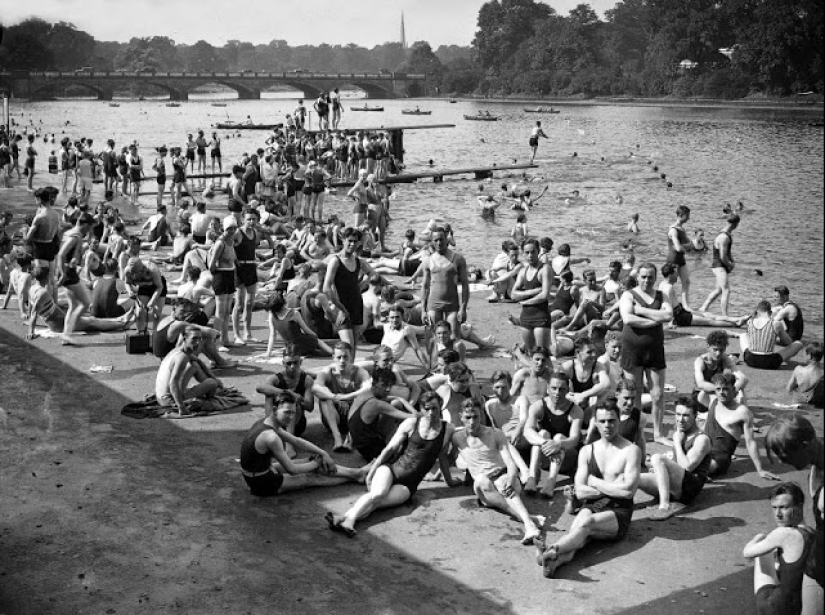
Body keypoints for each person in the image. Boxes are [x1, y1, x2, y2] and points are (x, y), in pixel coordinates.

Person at [324, 392, 455, 538]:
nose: (431, 413)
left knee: (377, 503)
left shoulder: (448, 429)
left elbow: (443, 457)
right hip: (391, 470)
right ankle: (350, 521)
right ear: (421, 409)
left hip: (407, 486)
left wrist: (449, 481)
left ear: (441, 406)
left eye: (434, 408)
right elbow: (389, 449)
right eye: (427, 409)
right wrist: (371, 473)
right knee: (377, 494)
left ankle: (341, 518)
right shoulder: (411, 423)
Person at [536, 401, 641, 578]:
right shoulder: (587, 450)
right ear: (596, 423)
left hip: (618, 510)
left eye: (612, 420)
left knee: (587, 523)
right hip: (592, 504)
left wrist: (594, 482)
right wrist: (613, 486)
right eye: (603, 421)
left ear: (618, 421)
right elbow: (581, 492)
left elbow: (628, 493)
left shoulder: (631, 450)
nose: (607, 425)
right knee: (577, 533)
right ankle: (554, 562)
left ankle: (552, 549)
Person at [241, 392, 368, 497]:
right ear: (274, 410)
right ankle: (356, 475)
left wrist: (322, 453)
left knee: (311, 460)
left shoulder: (268, 422)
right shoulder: (271, 437)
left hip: (264, 469)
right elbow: (292, 470)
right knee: (310, 477)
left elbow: (297, 441)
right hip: (260, 482)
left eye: (293, 413)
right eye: (287, 412)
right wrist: (315, 464)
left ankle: (357, 473)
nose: (291, 417)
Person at [453, 399, 543, 544]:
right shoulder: (457, 437)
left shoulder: (495, 434)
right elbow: (446, 457)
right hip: (485, 490)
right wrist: (445, 477)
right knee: (481, 480)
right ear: (461, 417)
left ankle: (529, 524)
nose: (472, 422)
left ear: (481, 415)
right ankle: (527, 520)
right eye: (468, 417)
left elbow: (510, 462)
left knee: (502, 481)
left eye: (475, 417)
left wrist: (512, 478)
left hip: (505, 479)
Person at [764, 415, 824, 615]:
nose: (782, 461)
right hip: (818, 563)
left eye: (786, 455)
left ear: (805, 446)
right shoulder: (816, 469)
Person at [743, 482, 815, 615]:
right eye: (774, 508)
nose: (777, 514)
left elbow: (747, 553)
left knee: (763, 550)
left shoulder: (783, 534)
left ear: (799, 506)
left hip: (776, 608)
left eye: (783, 507)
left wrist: (758, 539)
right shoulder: (813, 534)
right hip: (802, 607)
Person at [619, 262, 672, 442]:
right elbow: (628, 318)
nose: (647, 280)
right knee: (634, 394)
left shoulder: (662, 295)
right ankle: (634, 431)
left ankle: (658, 434)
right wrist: (655, 321)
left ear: (655, 278)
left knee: (658, 394)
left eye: (650, 277)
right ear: (637, 277)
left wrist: (640, 310)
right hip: (632, 350)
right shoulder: (628, 294)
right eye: (643, 277)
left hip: (654, 350)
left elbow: (668, 315)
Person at [638, 396, 711, 520]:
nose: (680, 420)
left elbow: (686, 467)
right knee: (632, 477)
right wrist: (657, 468)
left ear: (695, 416)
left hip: (689, 489)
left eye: (686, 415)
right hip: (675, 484)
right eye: (678, 414)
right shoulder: (681, 431)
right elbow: (675, 461)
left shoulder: (702, 439)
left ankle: (664, 506)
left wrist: (676, 442)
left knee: (658, 458)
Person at [706, 373, 780, 481]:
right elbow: (701, 386)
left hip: (719, 459)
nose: (721, 392)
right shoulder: (714, 402)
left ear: (733, 390)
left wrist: (760, 469)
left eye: (725, 389)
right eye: (718, 389)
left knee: (695, 470)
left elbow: (750, 442)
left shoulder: (742, 412)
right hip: (702, 449)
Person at [523, 372, 584, 498]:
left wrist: (558, 444)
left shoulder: (575, 411)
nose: (557, 393)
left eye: (561, 389)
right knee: (542, 434)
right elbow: (527, 431)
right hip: (546, 456)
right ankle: (532, 477)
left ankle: (551, 481)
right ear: (548, 389)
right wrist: (545, 442)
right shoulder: (538, 405)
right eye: (554, 388)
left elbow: (574, 439)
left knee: (559, 437)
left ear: (567, 390)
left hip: (566, 459)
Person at [26, 266, 131, 340]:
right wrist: (31, 332)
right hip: (59, 323)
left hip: (58, 319)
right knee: (91, 322)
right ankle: (122, 323)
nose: (51, 277)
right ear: (45, 277)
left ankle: (120, 321)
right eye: (49, 275)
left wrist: (28, 319)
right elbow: (34, 313)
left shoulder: (32, 288)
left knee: (89, 319)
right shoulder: (42, 293)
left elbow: (31, 308)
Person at [323, 227, 377, 358]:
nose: (352, 244)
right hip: (342, 308)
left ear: (359, 243)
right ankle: (342, 368)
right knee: (347, 346)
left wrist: (362, 285)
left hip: (356, 306)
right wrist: (341, 309)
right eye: (350, 241)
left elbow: (372, 273)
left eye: (355, 241)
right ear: (343, 240)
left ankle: (349, 369)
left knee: (353, 349)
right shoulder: (335, 261)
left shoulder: (358, 261)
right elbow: (326, 288)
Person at [348, 367, 418, 462]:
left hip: (361, 445)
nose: (388, 389)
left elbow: (389, 399)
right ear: (374, 383)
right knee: (408, 422)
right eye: (384, 385)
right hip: (373, 451)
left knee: (396, 404)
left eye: (390, 386)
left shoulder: (365, 394)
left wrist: (400, 399)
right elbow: (413, 416)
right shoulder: (376, 404)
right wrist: (419, 412)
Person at [312, 341, 371, 452]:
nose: (342, 360)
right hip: (334, 418)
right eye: (339, 357)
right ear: (333, 358)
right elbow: (315, 388)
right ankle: (337, 438)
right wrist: (334, 397)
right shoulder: (327, 372)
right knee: (324, 399)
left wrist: (346, 397)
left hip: (354, 418)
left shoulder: (360, 372)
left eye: (345, 357)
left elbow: (368, 389)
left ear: (351, 357)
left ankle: (350, 440)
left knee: (364, 399)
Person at [155, 326, 222, 415]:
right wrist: (181, 407)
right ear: (184, 339)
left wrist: (216, 379)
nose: (198, 342)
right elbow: (173, 383)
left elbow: (199, 361)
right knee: (211, 383)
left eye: (199, 339)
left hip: (160, 397)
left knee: (194, 365)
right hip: (168, 400)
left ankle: (213, 388)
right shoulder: (182, 357)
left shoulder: (178, 350)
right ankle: (210, 392)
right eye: (194, 339)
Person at [660, 263, 748, 328]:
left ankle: (737, 319)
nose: (677, 275)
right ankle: (736, 324)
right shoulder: (668, 288)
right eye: (675, 273)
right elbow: (667, 308)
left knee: (707, 314)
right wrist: (671, 322)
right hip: (681, 318)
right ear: (670, 275)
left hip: (681, 312)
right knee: (710, 321)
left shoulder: (662, 284)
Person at [422, 226, 470, 340]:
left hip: (452, 306)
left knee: (453, 339)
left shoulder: (458, 259)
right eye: (436, 240)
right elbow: (425, 287)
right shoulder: (428, 261)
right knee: (434, 339)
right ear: (432, 242)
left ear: (446, 239)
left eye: (441, 239)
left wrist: (463, 308)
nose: (439, 243)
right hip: (433, 306)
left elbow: (465, 285)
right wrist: (423, 311)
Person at [55, 212, 96, 345]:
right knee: (85, 303)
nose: (89, 231)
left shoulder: (69, 232)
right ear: (84, 225)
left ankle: (66, 336)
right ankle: (68, 332)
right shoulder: (75, 236)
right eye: (89, 227)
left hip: (68, 270)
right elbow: (61, 254)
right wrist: (63, 273)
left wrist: (72, 259)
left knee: (73, 305)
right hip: (68, 273)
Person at [511, 237, 553, 350]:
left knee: (543, 353)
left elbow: (544, 295)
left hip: (541, 317)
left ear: (538, 251)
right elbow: (513, 294)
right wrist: (533, 291)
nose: (530, 255)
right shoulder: (523, 271)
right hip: (525, 317)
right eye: (527, 252)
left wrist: (526, 302)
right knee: (530, 353)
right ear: (523, 254)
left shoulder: (545, 269)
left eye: (533, 252)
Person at [693, 330, 749, 413]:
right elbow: (701, 384)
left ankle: (743, 414)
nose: (718, 353)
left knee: (740, 389)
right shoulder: (700, 361)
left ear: (725, 348)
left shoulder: (724, 358)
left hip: (719, 393)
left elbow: (743, 379)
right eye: (715, 349)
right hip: (701, 397)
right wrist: (721, 389)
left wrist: (732, 391)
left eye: (721, 350)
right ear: (708, 346)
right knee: (708, 393)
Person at [265, 292, 334, 358]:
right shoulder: (294, 314)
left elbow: (272, 335)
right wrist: (315, 336)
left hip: (290, 349)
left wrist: (268, 352)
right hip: (302, 343)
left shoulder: (272, 315)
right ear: (284, 302)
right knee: (316, 340)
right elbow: (306, 330)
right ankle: (332, 352)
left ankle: (314, 351)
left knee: (314, 349)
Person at [740, 300, 805, 370]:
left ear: (757, 311)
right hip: (769, 362)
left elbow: (751, 337)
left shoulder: (749, 322)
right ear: (770, 312)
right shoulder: (776, 324)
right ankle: (785, 360)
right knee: (798, 344)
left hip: (750, 360)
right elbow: (788, 342)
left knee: (743, 335)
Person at [207, 216, 239, 352]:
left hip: (230, 275)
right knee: (220, 312)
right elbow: (211, 265)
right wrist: (219, 273)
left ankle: (225, 339)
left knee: (227, 311)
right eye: (229, 228)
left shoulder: (231, 241)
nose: (232, 231)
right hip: (221, 276)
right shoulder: (220, 243)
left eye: (234, 228)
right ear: (224, 229)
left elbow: (234, 259)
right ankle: (216, 342)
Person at [698, 214, 740, 317]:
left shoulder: (726, 235)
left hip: (720, 266)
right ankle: (725, 316)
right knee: (726, 290)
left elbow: (728, 252)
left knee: (718, 290)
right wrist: (730, 265)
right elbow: (722, 256)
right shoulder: (723, 237)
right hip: (719, 266)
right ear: (735, 224)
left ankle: (703, 308)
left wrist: (732, 261)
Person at [666, 205, 692, 310]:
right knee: (670, 283)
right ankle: (667, 305)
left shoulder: (681, 229)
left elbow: (688, 244)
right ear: (681, 215)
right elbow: (678, 248)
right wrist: (687, 247)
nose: (689, 218)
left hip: (681, 259)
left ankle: (686, 306)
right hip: (673, 259)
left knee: (686, 282)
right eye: (687, 215)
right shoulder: (673, 230)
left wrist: (688, 245)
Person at [787, 343, 824, 408]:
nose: (803, 356)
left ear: (809, 356)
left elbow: (789, 389)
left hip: (800, 404)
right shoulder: (822, 374)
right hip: (817, 406)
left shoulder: (798, 370)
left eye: (805, 354)